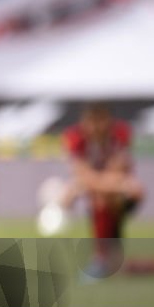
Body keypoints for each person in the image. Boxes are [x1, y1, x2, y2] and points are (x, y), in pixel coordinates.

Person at [62, 103, 144, 274]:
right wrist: (87, 183)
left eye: (100, 119)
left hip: (120, 194)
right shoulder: (75, 137)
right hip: (113, 189)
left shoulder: (120, 133)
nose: (95, 126)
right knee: (98, 196)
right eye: (90, 119)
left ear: (109, 120)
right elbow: (84, 174)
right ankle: (108, 257)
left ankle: (101, 258)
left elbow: (118, 170)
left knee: (104, 196)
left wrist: (85, 183)